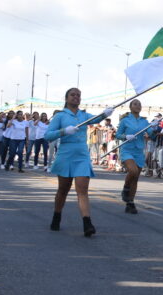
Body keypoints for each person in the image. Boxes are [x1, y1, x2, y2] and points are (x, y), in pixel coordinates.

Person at [44, 88, 113, 236]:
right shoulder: (60, 116)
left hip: (81, 155)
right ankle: (57, 216)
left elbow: (95, 119)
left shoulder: (83, 115)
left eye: (78, 95)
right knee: (63, 190)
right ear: (66, 97)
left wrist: (105, 113)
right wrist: (64, 131)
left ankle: (87, 223)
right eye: (73, 95)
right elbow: (48, 136)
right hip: (66, 154)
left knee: (82, 190)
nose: (76, 97)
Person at [115, 99, 157, 214]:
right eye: (135, 104)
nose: (138, 105)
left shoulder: (144, 121)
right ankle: (126, 188)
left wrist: (154, 128)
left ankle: (130, 203)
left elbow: (152, 136)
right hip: (127, 150)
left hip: (139, 151)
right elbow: (117, 135)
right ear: (130, 107)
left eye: (139, 104)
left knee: (136, 178)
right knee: (132, 171)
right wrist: (125, 136)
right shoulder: (125, 121)